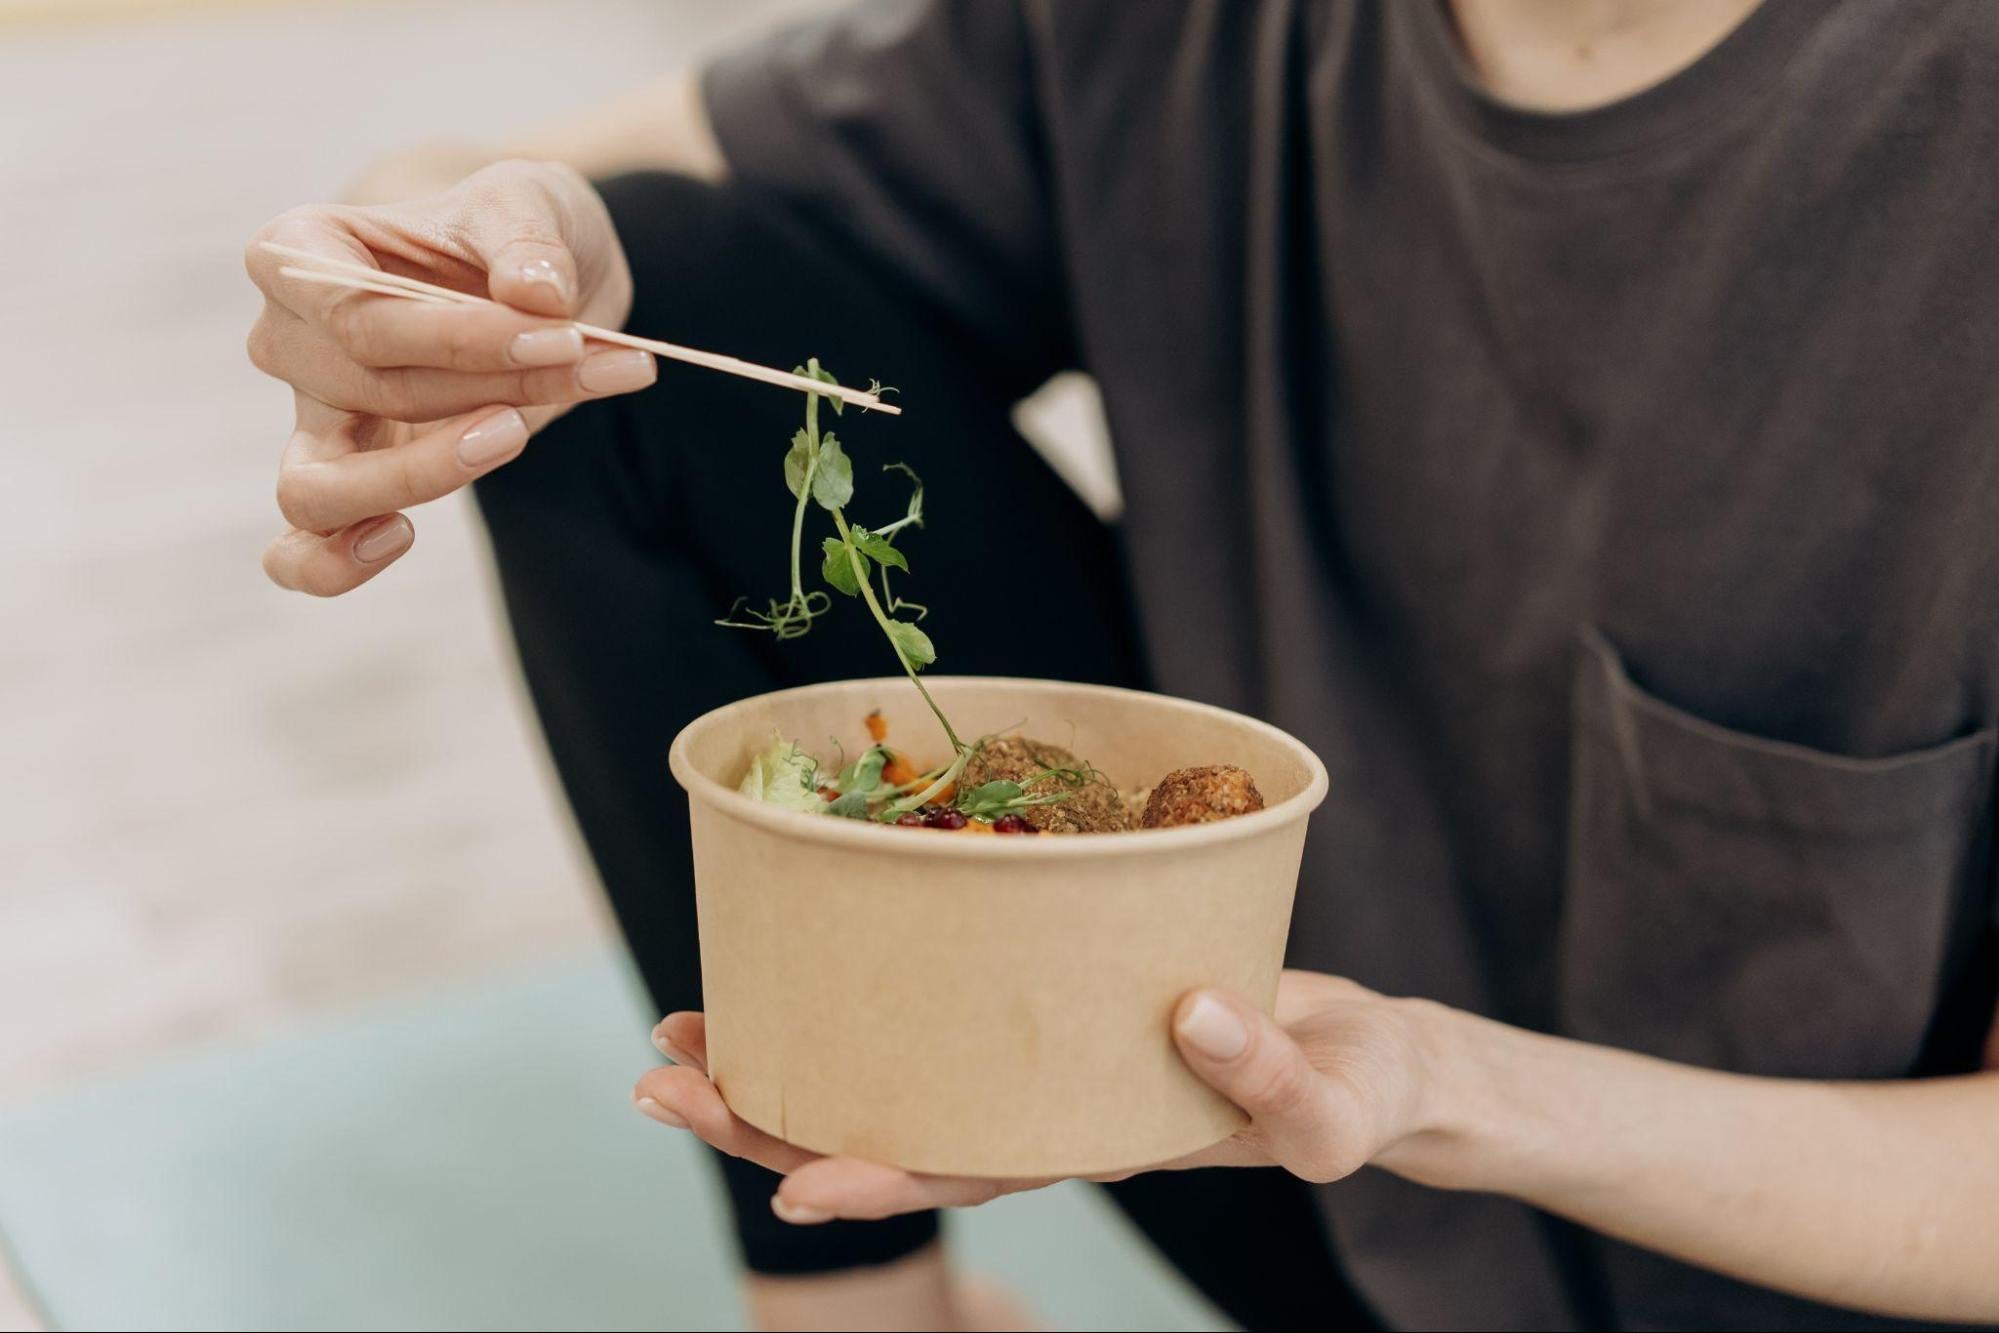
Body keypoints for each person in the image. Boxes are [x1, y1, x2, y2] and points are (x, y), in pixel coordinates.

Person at [242, 1, 1999, 1328]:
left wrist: (1442, 1086)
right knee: (637, 340)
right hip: (1244, 1117)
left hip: (1790, 1257)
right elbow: (514, 193)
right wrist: (430, 279)